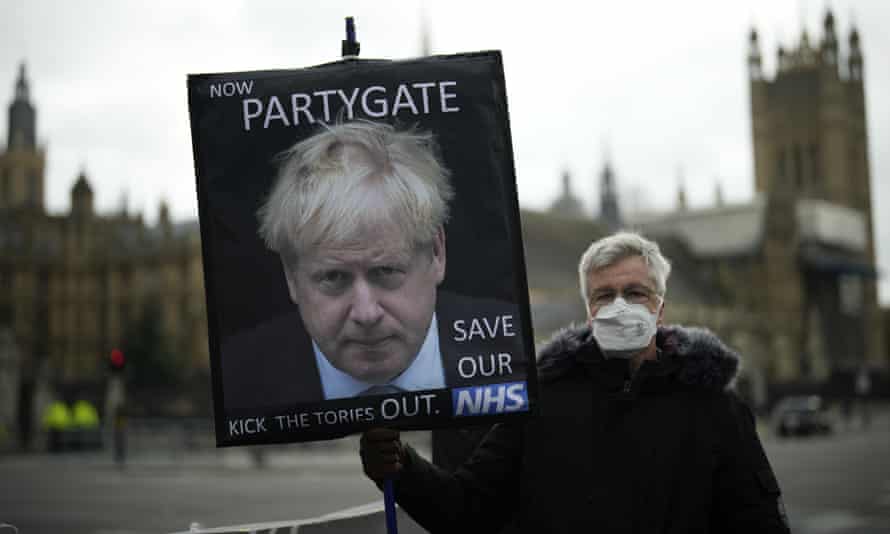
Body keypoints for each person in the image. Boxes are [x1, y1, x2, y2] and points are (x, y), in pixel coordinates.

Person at [361, 231, 790, 533]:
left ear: (660, 309)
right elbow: (468, 508)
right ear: (589, 310)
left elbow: (759, 522)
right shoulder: (541, 400)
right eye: (605, 295)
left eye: (636, 293)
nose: (620, 305)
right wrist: (400, 466)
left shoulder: (715, 406)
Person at [221, 121, 524, 407]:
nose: (366, 314)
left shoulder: (516, 355)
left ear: (436, 252)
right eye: (334, 278)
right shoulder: (236, 381)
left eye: (386, 272)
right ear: (291, 276)